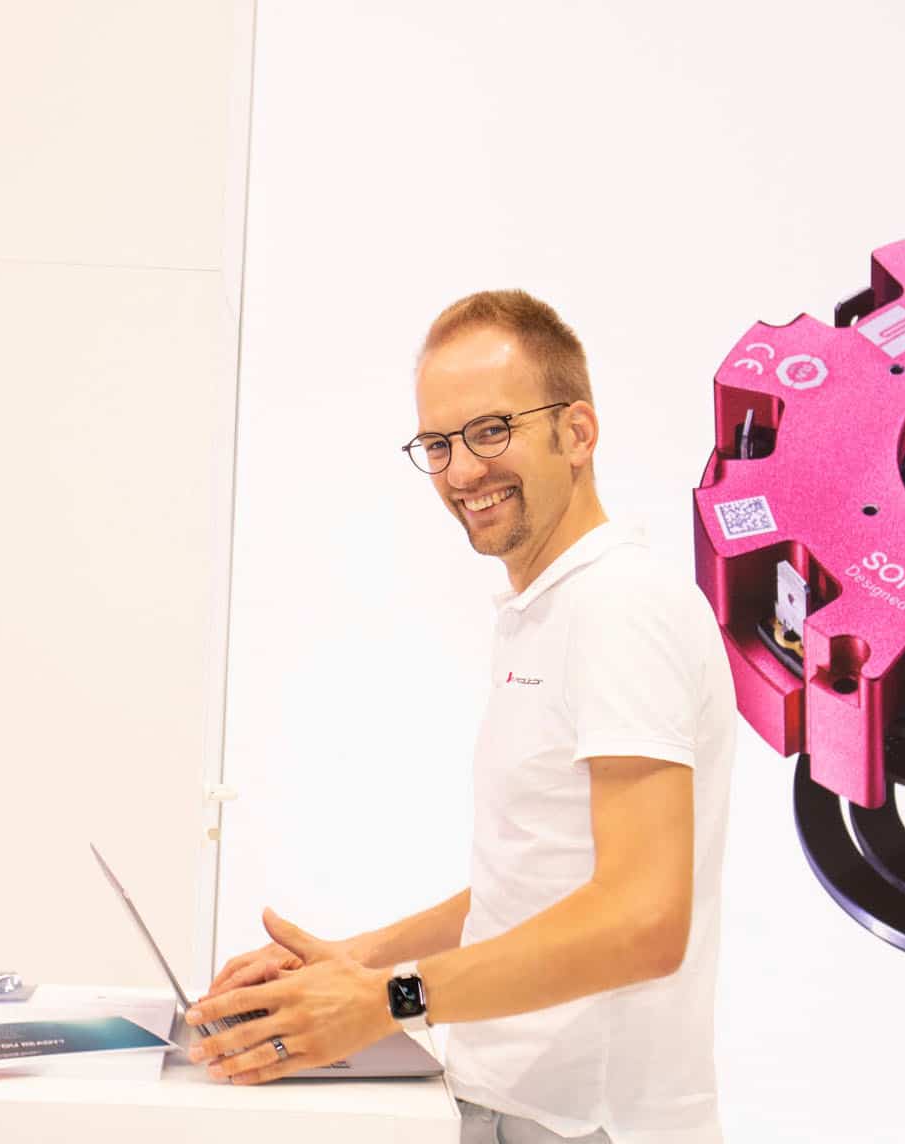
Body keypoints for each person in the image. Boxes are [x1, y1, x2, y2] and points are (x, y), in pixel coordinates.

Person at [194, 292, 737, 1144]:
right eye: (439, 445)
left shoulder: (622, 605)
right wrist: (354, 960)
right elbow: (537, 882)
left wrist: (386, 999)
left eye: (492, 431)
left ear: (578, 432)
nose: (461, 472)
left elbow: (643, 921)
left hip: (592, 1124)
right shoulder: (548, 609)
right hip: (507, 1103)